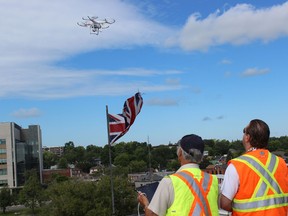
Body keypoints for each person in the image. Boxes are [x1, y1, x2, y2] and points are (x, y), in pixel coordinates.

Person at [137, 134, 219, 216]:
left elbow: (152, 214)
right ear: (201, 157)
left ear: (180, 153)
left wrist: (145, 204)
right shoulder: (213, 181)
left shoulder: (169, 182)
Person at [220, 119, 288, 215]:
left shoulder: (236, 165)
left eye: (244, 132)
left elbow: (224, 203)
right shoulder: (281, 163)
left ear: (247, 137)